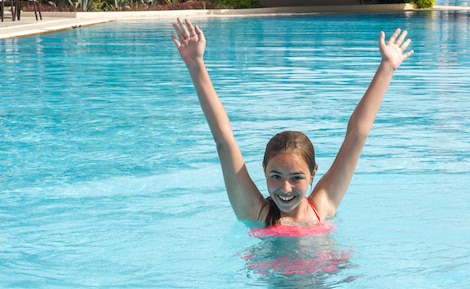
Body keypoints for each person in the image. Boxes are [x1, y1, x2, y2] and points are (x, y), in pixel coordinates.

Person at [171, 18, 413, 227]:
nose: (285, 188)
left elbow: (356, 136)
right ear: (263, 170)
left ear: (313, 173)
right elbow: (224, 139)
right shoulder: (256, 214)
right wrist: (196, 64)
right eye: (275, 176)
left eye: (296, 177)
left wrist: (387, 67)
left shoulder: (323, 206)